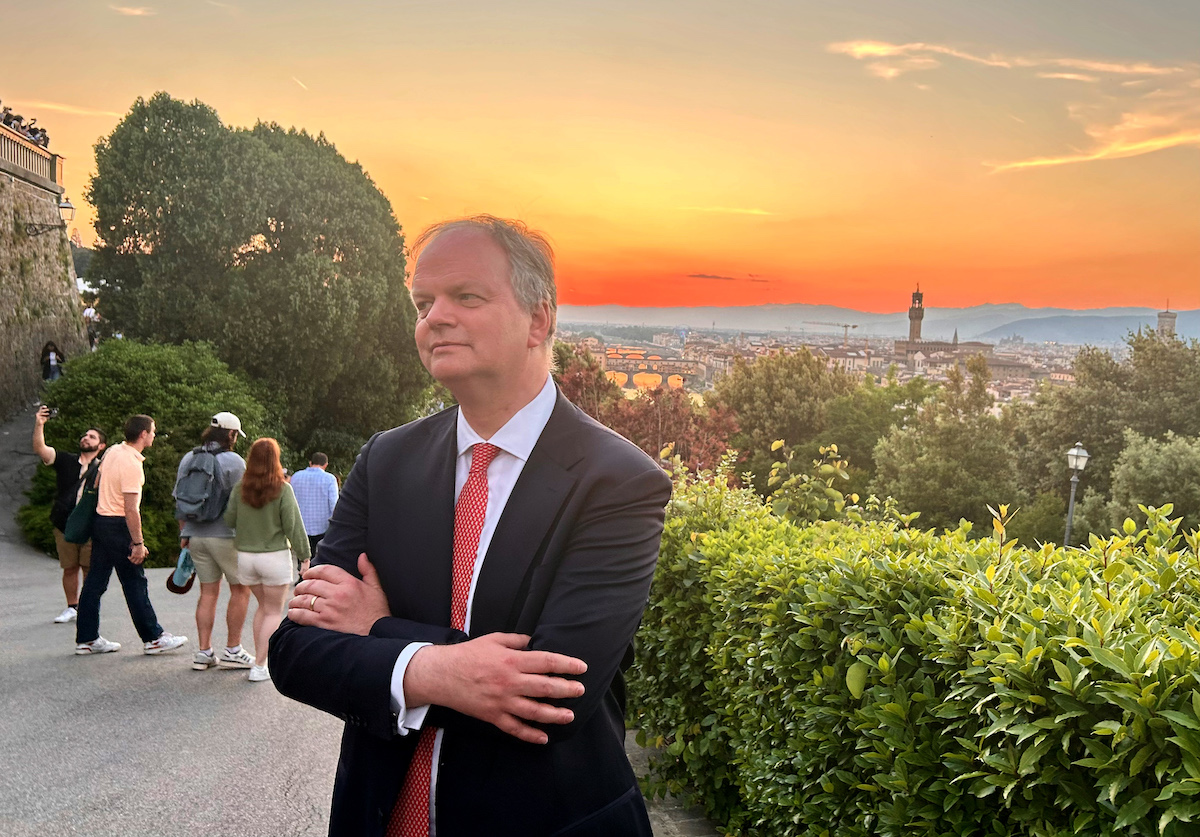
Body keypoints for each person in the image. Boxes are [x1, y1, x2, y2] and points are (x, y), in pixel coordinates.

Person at [270, 216, 672, 837]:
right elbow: (294, 652)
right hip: (377, 816)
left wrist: (376, 629)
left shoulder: (619, 481)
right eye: (424, 303)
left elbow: (555, 693)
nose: (435, 317)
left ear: (538, 320)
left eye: (467, 296)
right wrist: (438, 670)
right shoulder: (387, 460)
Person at [75, 414, 188, 656]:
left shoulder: (113, 450)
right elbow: (130, 509)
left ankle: (86, 638)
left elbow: (97, 482)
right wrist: (138, 543)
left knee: (94, 583)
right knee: (134, 581)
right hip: (118, 524)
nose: (154, 435)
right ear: (143, 434)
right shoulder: (132, 464)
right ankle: (153, 637)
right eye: (153, 431)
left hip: (100, 521)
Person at [224, 438, 311, 682]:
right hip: (273, 556)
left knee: (262, 608)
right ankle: (261, 665)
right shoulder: (283, 489)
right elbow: (293, 526)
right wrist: (305, 556)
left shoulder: (240, 488)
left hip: (246, 557)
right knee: (273, 611)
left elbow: (229, 519)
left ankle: (258, 659)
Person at [174, 412, 252, 672]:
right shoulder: (235, 461)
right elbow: (244, 502)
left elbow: (180, 500)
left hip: (196, 535)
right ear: (231, 434)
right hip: (226, 536)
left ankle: (204, 652)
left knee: (208, 592)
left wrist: (184, 534)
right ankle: (233, 649)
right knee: (240, 589)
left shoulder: (189, 457)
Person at [32, 406, 106, 623]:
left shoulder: (104, 467)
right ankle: (71, 607)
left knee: (88, 567)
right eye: (85, 435)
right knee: (69, 567)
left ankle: (87, 606)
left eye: (91, 437)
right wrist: (39, 424)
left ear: (101, 445)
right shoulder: (65, 460)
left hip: (91, 525)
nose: (85, 438)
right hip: (64, 523)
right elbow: (40, 448)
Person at [289, 452, 339, 564]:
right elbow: (333, 504)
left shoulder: (296, 477)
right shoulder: (330, 479)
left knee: (303, 560)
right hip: (322, 527)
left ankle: (303, 577)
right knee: (319, 560)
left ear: (310, 463)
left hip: (300, 526)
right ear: (325, 465)